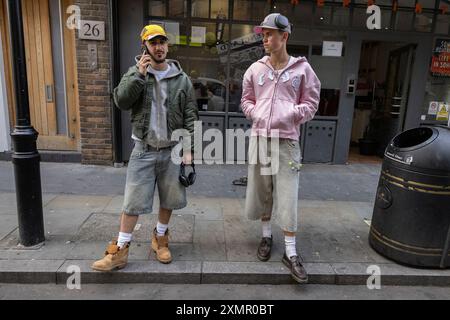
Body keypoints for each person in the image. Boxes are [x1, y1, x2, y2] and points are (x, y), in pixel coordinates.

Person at [91, 24, 198, 271]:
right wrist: (139, 75)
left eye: (162, 42)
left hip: (172, 149)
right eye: (153, 43)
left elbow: (191, 115)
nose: (158, 47)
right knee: (132, 202)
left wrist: (189, 150)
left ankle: (160, 239)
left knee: (169, 199)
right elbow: (121, 100)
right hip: (143, 149)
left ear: (167, 46)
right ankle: (120, 250)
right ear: (145, 47)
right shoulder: (135, 73)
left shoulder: (182, 79)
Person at [240, 13, 321, 283]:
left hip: (287, 142)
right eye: (263, 34)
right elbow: (246, 100)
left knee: (288, 195)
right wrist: (257, 114)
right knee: (263, 192)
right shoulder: (255, 69)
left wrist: (289, 115)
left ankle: (290, 252)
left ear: (284, 36)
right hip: (261, 138)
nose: (265, 38)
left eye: (270, 34)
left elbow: (311, 103)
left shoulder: (302, 70)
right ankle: (266, 237)